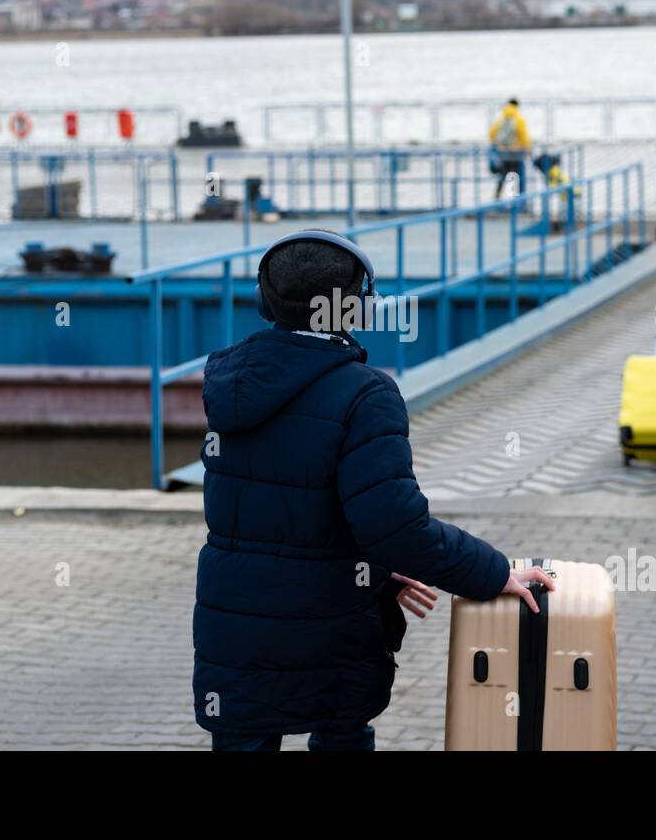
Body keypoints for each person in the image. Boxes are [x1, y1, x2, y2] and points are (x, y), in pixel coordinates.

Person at [194, 229, 554, 750]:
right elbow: (395, 527)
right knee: (340, 733)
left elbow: (278, 517)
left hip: (235, 634)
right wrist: (492, 571)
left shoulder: (229, 384)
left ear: (262, 299)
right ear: (356, 308)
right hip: (329, 631)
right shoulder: (365, 394)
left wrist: (377, 574)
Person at [489, 98, 530, 198]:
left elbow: (491, 134)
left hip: (502, 153)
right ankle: (514, 200)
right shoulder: (519, 118)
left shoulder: (501, 118)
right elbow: (524, 136)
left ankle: (497, 197)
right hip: (515, 153)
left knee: (503, 175)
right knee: (514, 176)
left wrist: (499, 146)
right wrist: (527, 148)